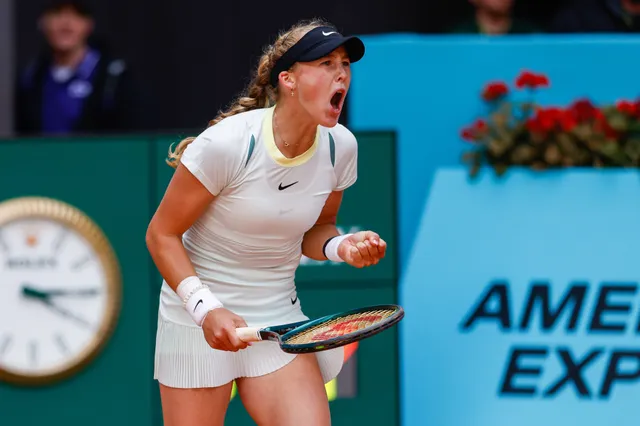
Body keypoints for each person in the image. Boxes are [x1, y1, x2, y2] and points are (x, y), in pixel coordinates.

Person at [146, 18, 387, 426]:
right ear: (289, 80)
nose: (341, 73)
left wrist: (341, 246)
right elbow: (162, 235)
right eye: (326, 63)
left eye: (344, 63)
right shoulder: (227, 144)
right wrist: (206, 309)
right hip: (195, 317)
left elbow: (317, 231)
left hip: (278, 318)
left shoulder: (340, 148)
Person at [14, 0, 139, 135]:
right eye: (57, 13)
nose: (66, 24)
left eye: (76, 15)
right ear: (42, 22)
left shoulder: (114, 77)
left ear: (89, 24)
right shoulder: (30, 78)